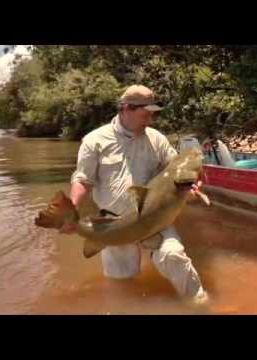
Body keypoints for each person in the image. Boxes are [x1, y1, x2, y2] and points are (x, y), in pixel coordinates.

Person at [63, 84, 209, 307]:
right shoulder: (95, 140)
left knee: (173, 256)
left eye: (153, 113)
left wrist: (191, 186)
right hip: (112, 224)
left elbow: (175, 170)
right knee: (122, 285)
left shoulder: (156, 139)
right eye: (146, 113)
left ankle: (202, 307)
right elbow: (83, 179)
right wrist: (71, 209)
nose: (151, 119)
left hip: (156, 217)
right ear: (126, 108)